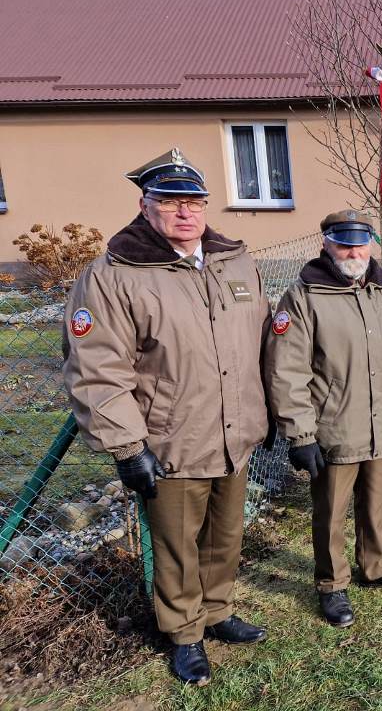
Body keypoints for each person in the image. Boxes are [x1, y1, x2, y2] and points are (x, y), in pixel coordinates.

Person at [63, 148, 270, 686]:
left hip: (235, 433)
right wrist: (128, 447)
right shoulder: (113, 275)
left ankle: (218, 611)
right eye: (170, 201)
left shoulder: (235, 260)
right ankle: (184, 634)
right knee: (177, 546)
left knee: (225, 536)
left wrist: (268, 415)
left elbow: (261, 344)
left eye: (195, 201)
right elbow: (98, 369)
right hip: (172, 440)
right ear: (144, 205)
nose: (185, 212)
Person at [264, 210, 382, 629]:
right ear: (327, 244)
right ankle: (332, 585)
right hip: (334, 427)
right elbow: (287, 370)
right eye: (343, 242)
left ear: (371, 242)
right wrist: (299, 434)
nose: (352, 251)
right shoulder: (304, 297)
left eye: (359, 241)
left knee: (375, 503)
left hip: (381, 425)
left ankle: (375, 565)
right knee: (331, 512)